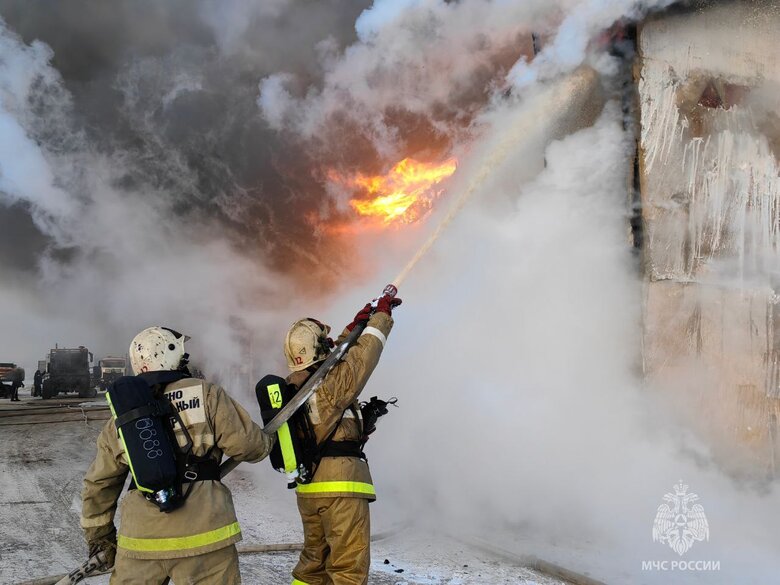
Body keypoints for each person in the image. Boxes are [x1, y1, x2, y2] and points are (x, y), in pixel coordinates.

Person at [80, 326, 274, 584]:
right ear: (172, 354)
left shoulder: (122, 418)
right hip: (205, 540)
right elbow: (250, 447)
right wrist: (268, 439)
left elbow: (99, 484)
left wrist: (100, 538)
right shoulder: (206, 394)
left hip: (141, 544)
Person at [285, 292, 401, 585]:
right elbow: (361, 358)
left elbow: (335, 356)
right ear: (317, 348)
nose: (329, 343)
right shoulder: (328, 387)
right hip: (340, 490)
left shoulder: (296, 387)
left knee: (313, 566)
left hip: (309, 488)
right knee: (348, 569)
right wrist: (380, 319)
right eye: (325, 341)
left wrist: (353, 327)